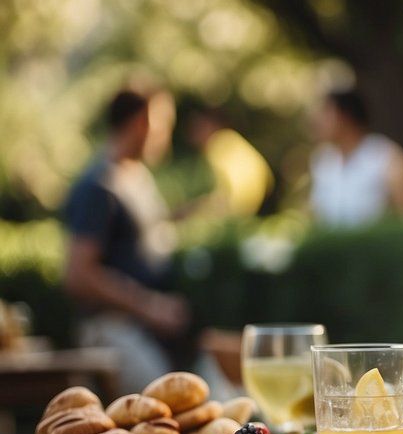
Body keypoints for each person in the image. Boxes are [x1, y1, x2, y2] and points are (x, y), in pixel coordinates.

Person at [62, 89, 191, 395]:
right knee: (164, 411)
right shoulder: (99, 186)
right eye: (164, 124)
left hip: (147, 332)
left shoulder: (138, 177)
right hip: (113, 332)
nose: (166, 135)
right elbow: (78, 275)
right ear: (140, 122)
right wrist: (149, 306)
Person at [308, 88, 403, 227]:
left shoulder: (384, 156)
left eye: (326, 111)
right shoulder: (322, 162)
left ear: (347, 116)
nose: (318, 120)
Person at [184, 106, 275, 218]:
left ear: (211, 125)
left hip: (233, 209)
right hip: (250, 208)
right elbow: (267, 177)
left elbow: (223, 187)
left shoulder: (218, 144)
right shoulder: (232, 139)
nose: (192, 130)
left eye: (198, 125)